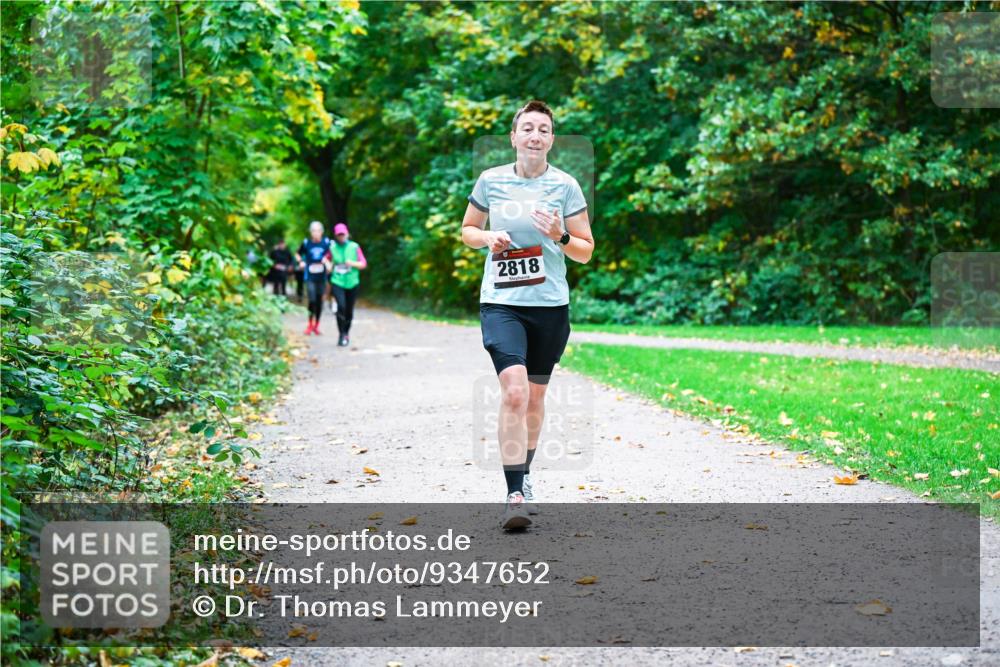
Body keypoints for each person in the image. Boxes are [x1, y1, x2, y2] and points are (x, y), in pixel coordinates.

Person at [460, 100, 594, 529]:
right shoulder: (490, 181)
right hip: (501, 302)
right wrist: (488, 237)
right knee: (514, 392)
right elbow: (467, 230)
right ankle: (513, 493)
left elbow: (586, 251)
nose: (535, 135)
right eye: (528, 128)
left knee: (535, 398)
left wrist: (560, 234)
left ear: (551, 139)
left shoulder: (566, 186)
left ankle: (526, 475)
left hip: (549, 307)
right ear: (514, 137)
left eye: (544, 129)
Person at [329, 222, 368, 347]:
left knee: (349, 311)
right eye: (339, 235)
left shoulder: (354, 247)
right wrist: (327, 265)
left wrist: (352, 263)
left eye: (343, 234)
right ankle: (341, 334)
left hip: (352, 282)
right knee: (341, 306)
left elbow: (363, 264)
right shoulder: (332, 247)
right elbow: (326, 259)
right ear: (336, 236)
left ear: (347, 234)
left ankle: (346, 333)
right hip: (337, 281)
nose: (341, 237)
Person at [295, 221, 332, 335]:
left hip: (321, 276)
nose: (316, 233)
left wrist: (328, 262)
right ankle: (310, 323)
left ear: (322, 232)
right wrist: (301, 261)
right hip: (310, 275)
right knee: (312, 299)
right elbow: (297, 253)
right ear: (311, 232)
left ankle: (317, 325)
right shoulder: (306, 243)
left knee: (319, 300)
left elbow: (333, 254)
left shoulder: (327, 243)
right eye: (313, 231)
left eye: (318, 231)